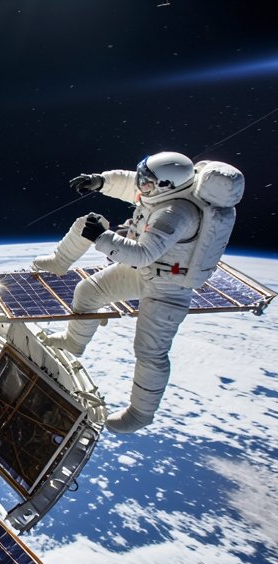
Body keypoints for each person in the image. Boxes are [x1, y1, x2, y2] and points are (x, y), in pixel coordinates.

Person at [32, 151, 244, 433]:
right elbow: (130, 182)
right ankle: (74, 342)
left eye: (147, 182)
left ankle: (141, 413)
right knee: (88, 292)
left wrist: (101, 237)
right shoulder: (161, 190)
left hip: (169, 287)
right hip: (148, 272)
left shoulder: (175, 214)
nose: (142, 185)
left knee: (150, 352)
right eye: (144, 177)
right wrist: (100, 181)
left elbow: (142, 254)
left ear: (166, 186)